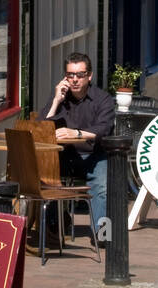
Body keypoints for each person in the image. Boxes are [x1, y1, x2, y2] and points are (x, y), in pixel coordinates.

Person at [42, 51, 114, 236]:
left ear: (89, 76)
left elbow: (103, 129)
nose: (75, 80)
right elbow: (42, 128)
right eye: (70, 75)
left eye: (80, 75)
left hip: (94, 155)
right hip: (65, 154)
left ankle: (102, 234)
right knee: (46, 181)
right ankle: (54, 227)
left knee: (102, 187)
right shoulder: (60, 96)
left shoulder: (102, 99)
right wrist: (56, 101)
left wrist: (76, 133)